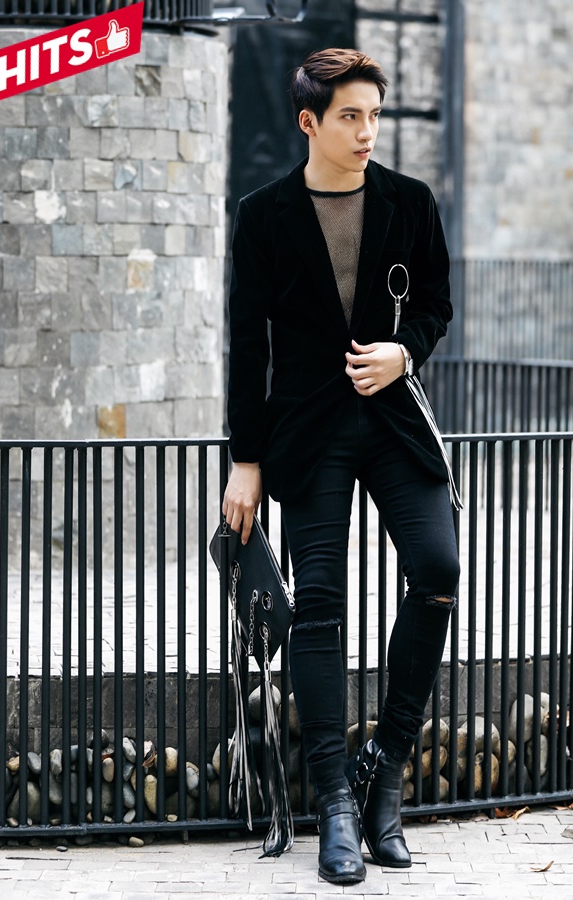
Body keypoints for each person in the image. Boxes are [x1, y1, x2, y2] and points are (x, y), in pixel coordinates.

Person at [222, 47, 460, 885]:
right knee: (318, 603)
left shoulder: (409, 201)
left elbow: (436, 304)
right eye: (350, 116)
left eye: (374, 116)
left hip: (395, 425)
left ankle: (383, 770)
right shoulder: (264, 215)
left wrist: (405, 350)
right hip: (310, 433)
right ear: (309, 122)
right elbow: (248, 347)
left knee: (439, 568)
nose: (366, 132)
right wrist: (246, 460)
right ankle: (332, 802)